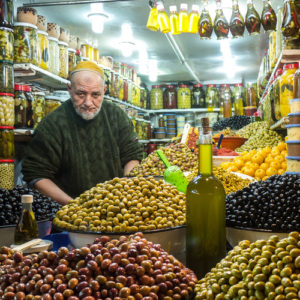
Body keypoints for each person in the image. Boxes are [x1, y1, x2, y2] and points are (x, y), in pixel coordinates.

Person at [22, 61, 143, 205]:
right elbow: (37, 174)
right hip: (69, 213)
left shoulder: (116, 115)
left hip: (116, 207)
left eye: (95, 95)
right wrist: (76, 207)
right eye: (81, 93)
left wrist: (126, 190)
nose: (88, 102)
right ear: (69, 88)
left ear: (104, 90)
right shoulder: (52, 124)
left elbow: (132, 156)